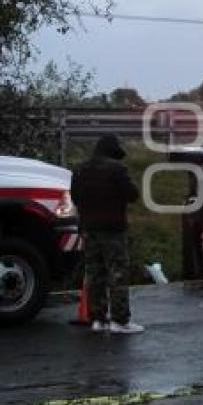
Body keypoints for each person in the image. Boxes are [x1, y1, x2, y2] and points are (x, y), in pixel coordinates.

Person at [70, 134, 142, 334]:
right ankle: (120, 320)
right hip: (112, 229)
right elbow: (132, 195)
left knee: (94, 273)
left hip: (89, 228)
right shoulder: (117, 169)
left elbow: (74, 196)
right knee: (117, 273)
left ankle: (97, 319)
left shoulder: (80, 169)